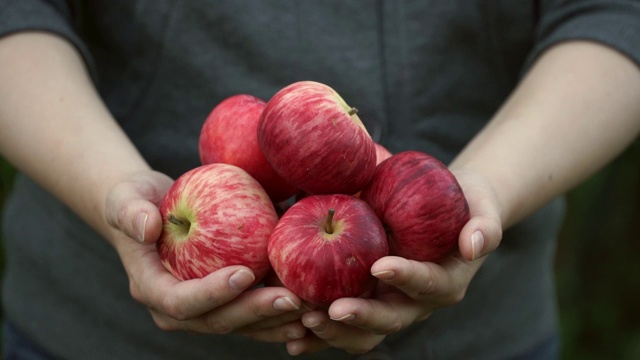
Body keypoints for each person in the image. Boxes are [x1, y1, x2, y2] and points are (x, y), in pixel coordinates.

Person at [1, 1, 639, 359]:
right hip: (97, 337)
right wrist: (109, 186)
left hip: (478, 340)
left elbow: (618, 15)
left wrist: (489, 189)